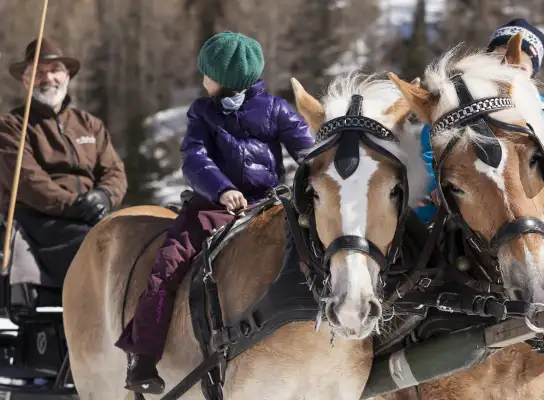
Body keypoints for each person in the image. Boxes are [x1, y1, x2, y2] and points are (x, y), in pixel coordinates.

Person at [114, 31, 315, 394]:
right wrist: (223, 189)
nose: (202, 79)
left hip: (266, 207)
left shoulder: (276, 110)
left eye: (207, 73)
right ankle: (143, 355)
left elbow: (309, 153)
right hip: (211, 208)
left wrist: (314, 180)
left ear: (225, 79)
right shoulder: (202, 113)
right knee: (168, 266)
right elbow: (194, 158)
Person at [0, 38, 127, 285]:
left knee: (143, 238)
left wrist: (103, 197)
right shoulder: (12, 126)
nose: (49, 78)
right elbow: (28, 181)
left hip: (94, 216)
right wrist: (75, 205)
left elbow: (115, 171)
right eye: (39, 72)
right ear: (26, 81)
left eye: (55, 70)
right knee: (98, 245)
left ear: (67, 76)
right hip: (39, 223)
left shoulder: (90, 124)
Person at [414, 18, 544, 224]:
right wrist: (433, 186)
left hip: (522, 195)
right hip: (462, 191)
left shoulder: (539, 110)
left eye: (521, 66)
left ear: (532, 74)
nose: (509, 69)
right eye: (500, 60)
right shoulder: (459, 104)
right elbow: (432, 147)